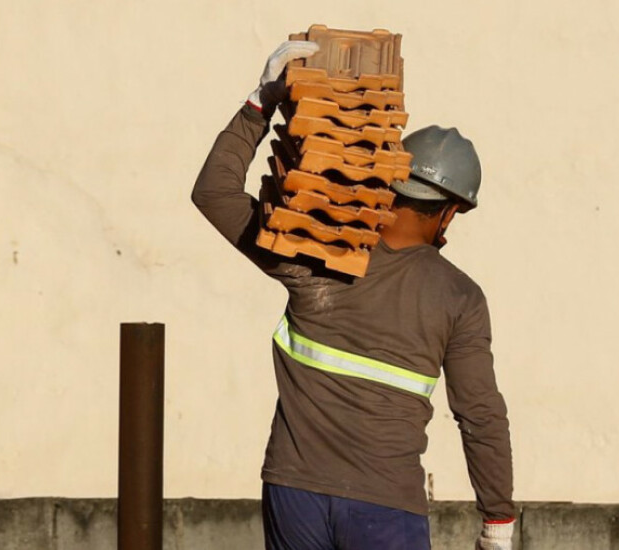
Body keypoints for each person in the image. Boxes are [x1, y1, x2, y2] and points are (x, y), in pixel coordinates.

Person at [192, 41, 515, 550]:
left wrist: (261, 102)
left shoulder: (313, 249)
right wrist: (497, 519)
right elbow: (479, 414)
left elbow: (213, 192)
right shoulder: (459, 298)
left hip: (293, 491)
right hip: (386, 506)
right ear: (449, 211)